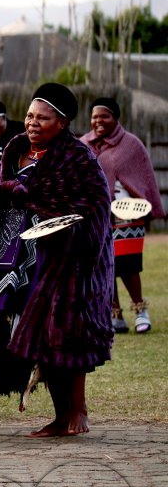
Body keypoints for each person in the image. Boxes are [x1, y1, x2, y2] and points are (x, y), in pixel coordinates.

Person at [0, 83, 113, 437]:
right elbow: (4, 187)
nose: (32, 123)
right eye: (30, 116)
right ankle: (60, 415)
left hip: (64, 259)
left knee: (66, 333)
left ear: (61, 123)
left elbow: (94, 206)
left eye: (42, 118)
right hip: (18, 258)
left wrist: (21, 193)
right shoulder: (16, 148)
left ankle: (78, 411)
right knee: (40, 338)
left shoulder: (77, 157)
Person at [80, 98, 165, 333]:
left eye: (104, 116)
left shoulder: (131, 145)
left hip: (128, 214)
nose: (98, 121)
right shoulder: (84, 144)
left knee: (127, 264)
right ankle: (115, 314)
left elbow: (144, 178)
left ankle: (140, 310)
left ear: (115, 118)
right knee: (103, 264)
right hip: (97, 215)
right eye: (95, 116)